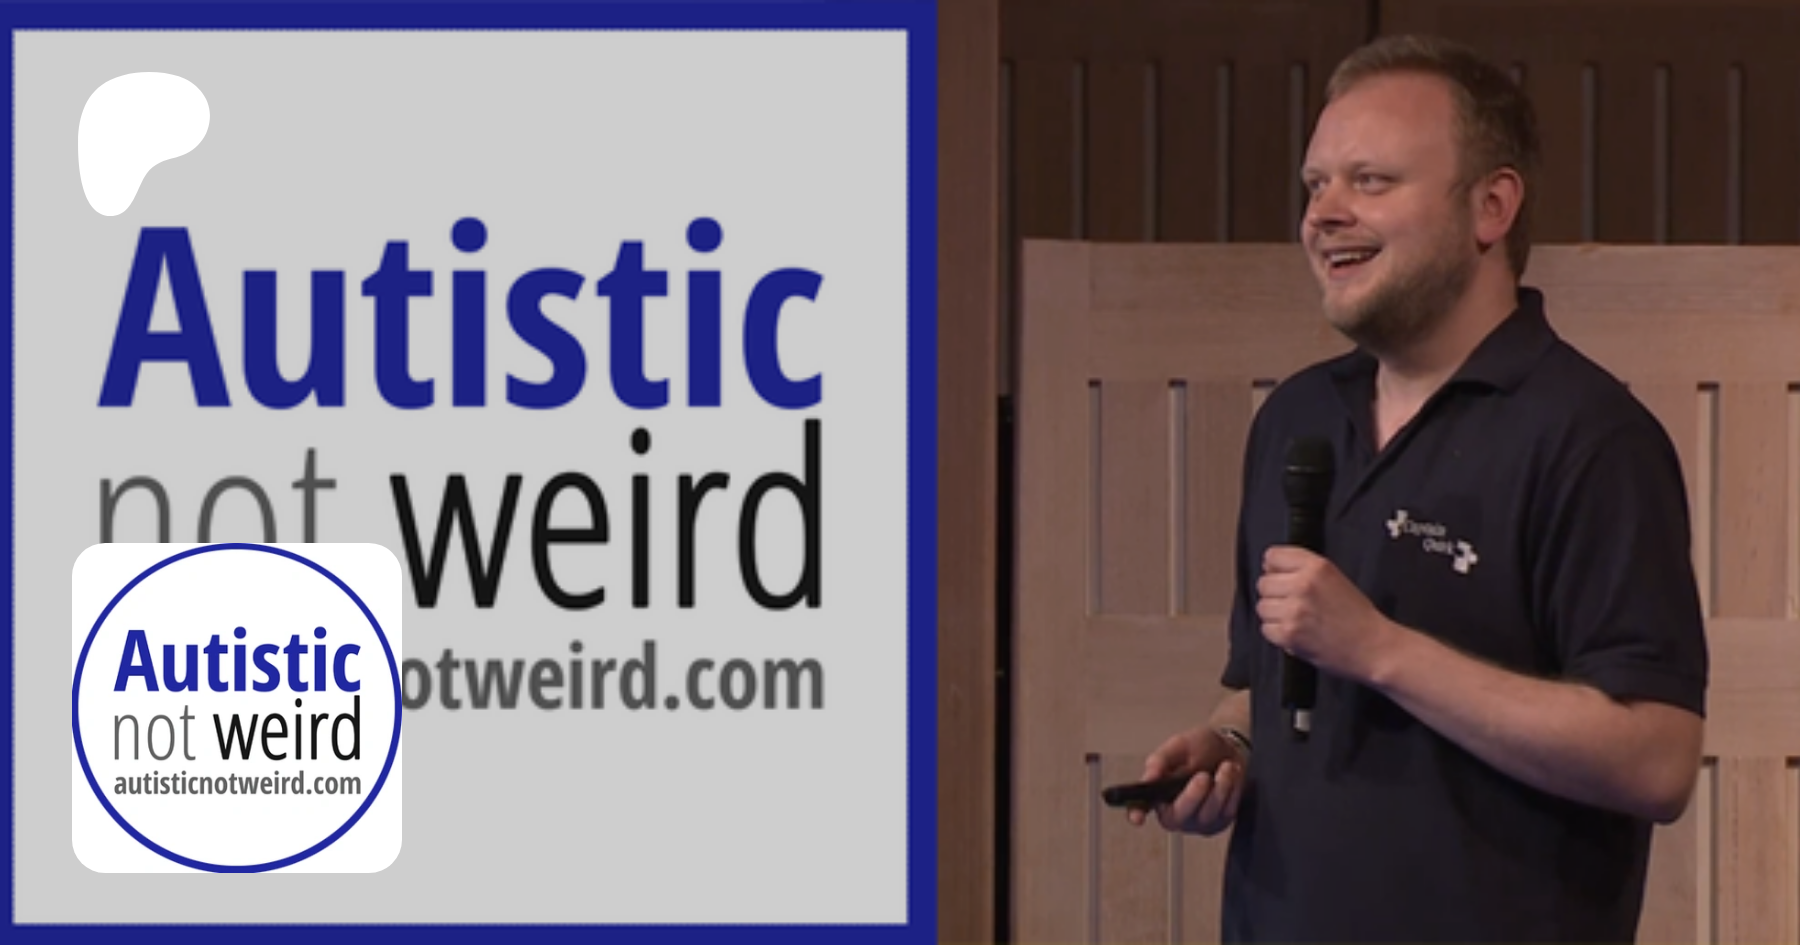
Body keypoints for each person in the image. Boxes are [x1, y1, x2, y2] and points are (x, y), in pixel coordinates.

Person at [1125, 34, 1709, 942]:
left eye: (1370, 180)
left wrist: (1381, 649)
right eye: (1316, 185)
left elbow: (1657, 758)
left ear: (1491, 206)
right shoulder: (1295, 418)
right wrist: (1228, 746)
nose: (1323, 214)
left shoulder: (1591, 438)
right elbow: (1258, 686)